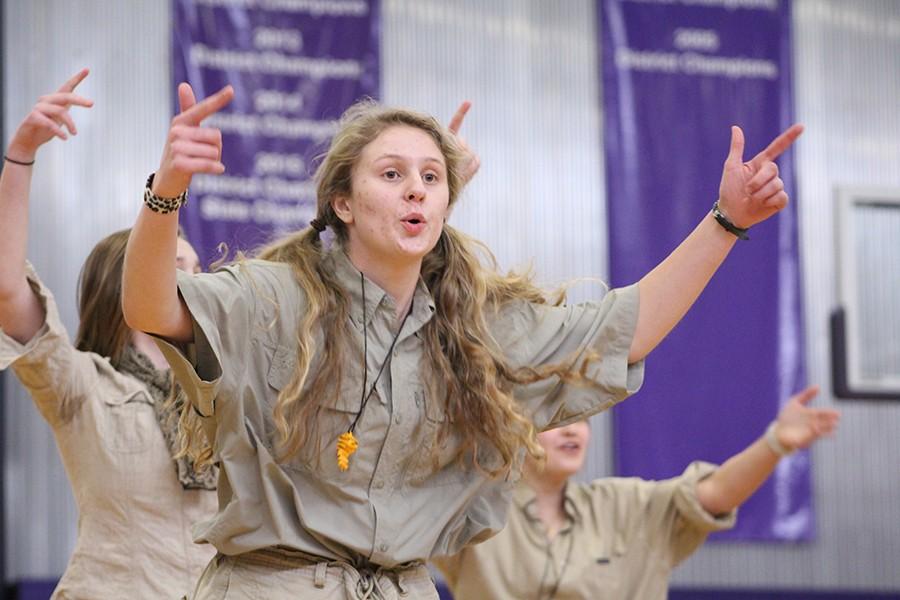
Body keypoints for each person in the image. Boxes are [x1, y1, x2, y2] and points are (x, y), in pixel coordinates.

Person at [120, 82, 802, 599]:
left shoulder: (478, 325)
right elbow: (151, 308)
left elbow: (623, 331)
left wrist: (725, 222)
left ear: (447, 203)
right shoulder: (273, 297)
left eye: (431, 177)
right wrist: (167, 190)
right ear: (344, 203)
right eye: (391, 175)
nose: (415, 190)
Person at [0, 69, 217, 599]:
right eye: (173, 264)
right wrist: (21, 154)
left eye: (196, 265)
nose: (193, 279)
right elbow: (6, 290)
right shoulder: (81, 386)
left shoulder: (228, 397)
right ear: (130, 286)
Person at [432, 385, 840, 599]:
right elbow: (386, 488)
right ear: (514, 432)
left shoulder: (628, 506)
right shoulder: (471, 511)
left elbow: (714, 493)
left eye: (582, 420)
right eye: (556, 421)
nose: (574, 429)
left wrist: (776, 443)